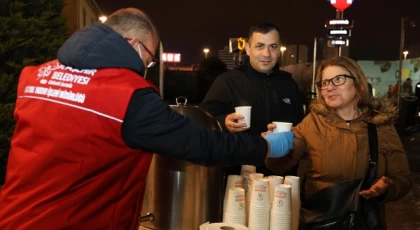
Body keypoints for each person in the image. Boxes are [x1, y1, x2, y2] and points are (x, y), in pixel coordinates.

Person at [0, 8, 295, 229]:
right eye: (149, 58)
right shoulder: (128, 96)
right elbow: (200, 144)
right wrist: (264, 147)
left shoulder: (36, 75)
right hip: (76, 221)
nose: (147, 66)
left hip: (14, 214)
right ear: (133, 45)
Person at [265, 56, 412, 228]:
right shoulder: (312, 123)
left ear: (358, 84)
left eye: (339, 79)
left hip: (363, 221)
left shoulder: (380, 125)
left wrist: (386, 188)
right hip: (320, 221)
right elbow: (279, 165)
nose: (330, 87)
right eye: (324, 82)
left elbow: (403, 179)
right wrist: (274, 145)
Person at [200, 21, 304, 175]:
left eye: (273, 47)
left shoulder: (289, 84)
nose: (266, 54)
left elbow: (302, 127)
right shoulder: (228, 81)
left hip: (281, 175)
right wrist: (223, 122)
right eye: (260, 46)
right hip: (237, 173)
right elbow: (203, 122)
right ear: (248, 49)